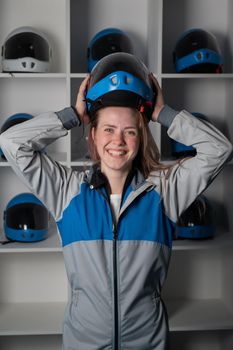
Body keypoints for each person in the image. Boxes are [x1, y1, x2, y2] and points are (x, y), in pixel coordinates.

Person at [0, 52, 232, 350]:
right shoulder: (66, 191)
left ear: (141, 137)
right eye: (108, 129)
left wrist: (162, 113)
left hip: (147, 342)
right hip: (83, 343)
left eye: (130, 131)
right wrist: (73, 114)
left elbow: (220, 149)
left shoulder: (165, 193)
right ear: (93, 135)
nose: (118, 141)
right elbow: (11, 143)